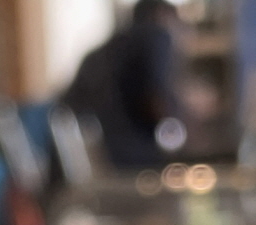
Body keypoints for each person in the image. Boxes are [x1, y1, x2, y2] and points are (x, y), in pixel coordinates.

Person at [62, 0, 183, 168]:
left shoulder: (105, 50)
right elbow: (156, 97)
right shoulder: (156, 35)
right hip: (131, 159)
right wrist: (181, 126)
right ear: (161, 14)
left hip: (94, 160)